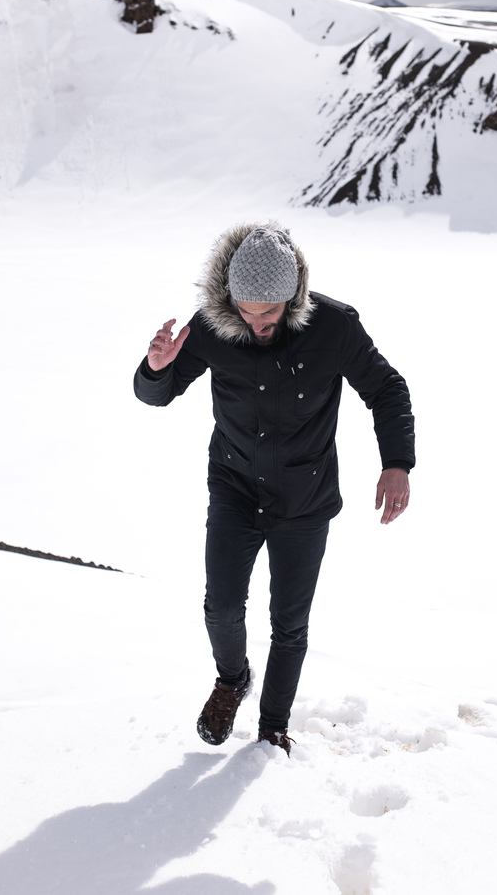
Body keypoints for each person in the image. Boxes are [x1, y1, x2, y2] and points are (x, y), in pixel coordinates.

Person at [133, 222, 415, 756]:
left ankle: (272, 728)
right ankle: (232, 678)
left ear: (293, 298)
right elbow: (157, 395)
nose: (257, 323)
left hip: (304, 500)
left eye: (269, 312)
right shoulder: (212, 327)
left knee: (289, 625)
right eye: (247, 311)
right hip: (236, 487)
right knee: (221, 607)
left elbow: (386, 387)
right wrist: (154, 369)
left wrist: (396, 462)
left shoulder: (334, 326)